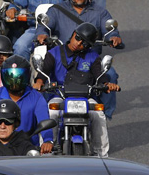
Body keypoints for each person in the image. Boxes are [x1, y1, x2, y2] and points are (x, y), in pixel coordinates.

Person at [34, 0, 121, 115]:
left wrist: (113, 37)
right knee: (43, 80)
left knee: (110, 74)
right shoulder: (56, 10)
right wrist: (42, 34)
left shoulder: (100, 13)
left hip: (90, 63)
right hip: (62, 61)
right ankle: (41, 120)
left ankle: (105, 114)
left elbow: (110, 29)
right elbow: (44, 26)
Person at [34, 23, 119, 156]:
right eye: (77, 38)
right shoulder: (54, 53)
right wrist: (39, 83)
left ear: (89, 46)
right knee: (51, 113)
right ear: (73, 34)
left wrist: (107, 84)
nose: (78, 43)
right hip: (60, 95)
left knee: (99, 115)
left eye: (84, 43)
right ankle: (46, 150)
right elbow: (43, 74)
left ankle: (102, 155)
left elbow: (100, 76)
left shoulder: (93, 57)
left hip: (85, 97)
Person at [0, 56, 54, 153]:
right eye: (10, 77)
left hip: (28, 150)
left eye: (19, 77)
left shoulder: (37, 98)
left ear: (27, 76)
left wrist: (47, 140)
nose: (14, 82)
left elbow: (44, 120)